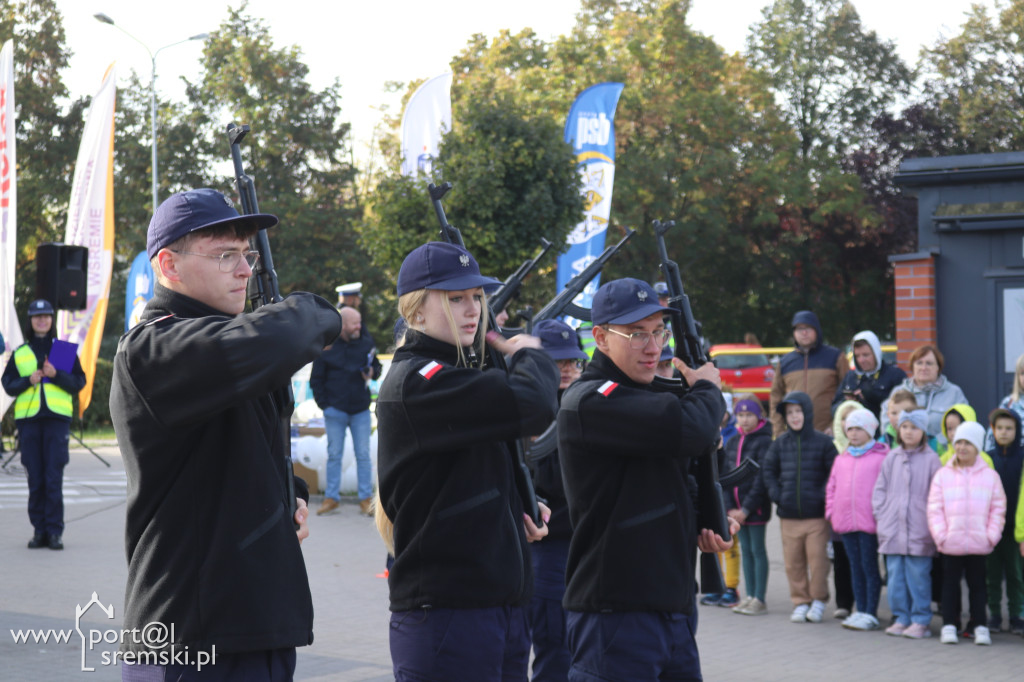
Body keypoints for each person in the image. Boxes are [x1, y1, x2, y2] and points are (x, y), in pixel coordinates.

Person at [109, 188, 342, 680]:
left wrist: (288, 493)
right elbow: (296, 331)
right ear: (169, 265)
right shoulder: (154, 347)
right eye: (225, 255)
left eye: (247, 254)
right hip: (189, 638)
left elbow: (237, 447)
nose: (245, 269)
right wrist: (306, 308)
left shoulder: (227, 342)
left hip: (256, 625)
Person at [375, 241, 559, 680]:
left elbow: (464, 475)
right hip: (449, 614)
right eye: (454, 299)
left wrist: (512, 506)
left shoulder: (458, 375)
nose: (471, 309)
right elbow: (534, 404)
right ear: (416, 311)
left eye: (476, 297)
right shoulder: (419, 380)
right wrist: (529, 353)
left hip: (496, 606)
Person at [557, 277, 734, 681]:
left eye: (659, 331)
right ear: (600, 338)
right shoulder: (592, 400)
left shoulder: (648, 395)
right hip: (616, 613)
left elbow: (663, 481)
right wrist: (707, 387)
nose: (653, 347)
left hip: (671, 605)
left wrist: (702, 520)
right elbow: (692, 429)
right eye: (637, 334)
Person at [527, 318, 587, 682]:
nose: (567, 369)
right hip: (550, 548)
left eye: (572, 361)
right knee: (555, 650)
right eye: (557, 361)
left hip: (586, 546)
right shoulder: (532, 412)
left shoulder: (586, 406)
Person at [2, 299, 86, 550]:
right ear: (30, 321)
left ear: (52, 320)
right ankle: (39, 531)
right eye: (37, 316)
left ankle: (54, 532)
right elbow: (8, 385)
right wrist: (28, 380)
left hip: (56, 422)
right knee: (35, 478)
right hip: (29, 422)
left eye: (46, 316)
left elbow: (78, 382)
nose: (42, 320)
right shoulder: (21, 353)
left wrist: (55, 375)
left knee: (53, 478)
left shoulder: (62, 350)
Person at [927, 422, 1006, 646]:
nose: (962, 447)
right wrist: (942, 535)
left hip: (979, 543)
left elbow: (998, 509)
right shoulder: (943, 475)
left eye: (968, 443)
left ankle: (980, 625)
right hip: (951, 542)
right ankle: (950, 625)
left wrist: (991, 536)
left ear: (978, 447)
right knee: (950, 585)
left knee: (978, 585)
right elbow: (934, 508)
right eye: (959, 442)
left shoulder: (990, 476)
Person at [762, 391, 838, 625]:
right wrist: (777, 495)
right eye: (790, 413)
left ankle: (818, 600)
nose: (795, 417)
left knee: (818, 562)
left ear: (807, 412)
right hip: (788, 516)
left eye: (798, 411)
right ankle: (800, 601)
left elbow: (833, 474)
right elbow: (768, 471)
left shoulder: (824, 443)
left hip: (816, 517)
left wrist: (821, 496)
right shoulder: (780, 444)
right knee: (793, 562)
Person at [872, 409, 942, 639]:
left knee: (919, 577)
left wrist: (930, 522)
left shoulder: (932, 459)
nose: (909, 432)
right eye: (905, 427)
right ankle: (901, 617)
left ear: (923, 432)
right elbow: (879, 489)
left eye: (914, 427)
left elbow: (937, 494)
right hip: (892, 529)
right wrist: (882, 515)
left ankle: (920, 619)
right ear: (898, 430)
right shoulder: (891, 457)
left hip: (919, 530)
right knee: (895, 578)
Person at [310, 305, 381, 516]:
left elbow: (376, 368)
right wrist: (325, 405)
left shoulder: (366, 343)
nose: (359, 326)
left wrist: (372, 371)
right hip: (336, 410)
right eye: (355, 323)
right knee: (334, 455)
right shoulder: (327, 347)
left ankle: (365, 499)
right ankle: (331, 498)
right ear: (343, 325)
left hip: (360, 409)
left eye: (359, 322)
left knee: (363, 455)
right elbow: (316, 379)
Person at [825, 408, 888, 631]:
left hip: (869, 523)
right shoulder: (843, 458)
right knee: (854, 567)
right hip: (845, 523)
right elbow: (832, 487)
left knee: (869, 567)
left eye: (858, 428)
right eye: (850, 428)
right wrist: (831, 513)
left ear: (870, 430)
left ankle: (870, 612)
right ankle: (860, 610)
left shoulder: (882, 457)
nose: (853, 433)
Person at [725, 397, 773, 616]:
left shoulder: (763, 441)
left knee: (757, 549)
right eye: (741, 415)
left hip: (754, 508)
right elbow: (725, 476)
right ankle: (749, 595)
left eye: (749, 415)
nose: (744, 419)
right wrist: (730, 509)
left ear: (759, 416)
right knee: (745, 550)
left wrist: (745, 509)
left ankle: (759, 598)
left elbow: (761, 479)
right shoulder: (733, 441)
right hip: (735, 511)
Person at [769, 311, 847, 436]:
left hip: (828, 433)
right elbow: (776, 398)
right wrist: (779, 432)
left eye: (808, 327)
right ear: (794, 333)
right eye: (799, 328)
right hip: (793, 435)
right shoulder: (785, 362)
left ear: (817, 330)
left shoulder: (836, 357)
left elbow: (846, 394)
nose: (804, 332)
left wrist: (835, 426)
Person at [881, 345, 967, 451]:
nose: (923, 368)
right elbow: (887, 422)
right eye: (919, 363)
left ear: (938, 367)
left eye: (929, 363)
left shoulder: (954, 393)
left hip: (942, 454)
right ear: (912, 366)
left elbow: (963, 424)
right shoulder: (898, 392)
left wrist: (934, 445)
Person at [984, 408, 1024, 634]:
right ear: (993, 430)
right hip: (992, 528)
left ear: (1017, 430)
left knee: (1016, 576)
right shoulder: (987, 457)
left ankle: (1017, 615)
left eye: (1009, 428)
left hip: (1015, 530)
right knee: (992, 574)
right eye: (999, 428)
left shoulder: (1022, 456)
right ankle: (995, 615)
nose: (1004, 432)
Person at [831, 331, 905, 421]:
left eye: (866, 355)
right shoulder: (850, 376)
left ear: (876, 353)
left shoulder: (895, 375)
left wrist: (870, 397)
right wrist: (847, 403)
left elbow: (904, 407)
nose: (861, 360)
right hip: (853, 431)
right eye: (857, 356)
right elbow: (834, 408)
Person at [984, 353, 1024, 450]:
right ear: (1017, 377)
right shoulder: (1009, 403)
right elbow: (991, 438)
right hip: (1015, 462)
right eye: (1023, 373)